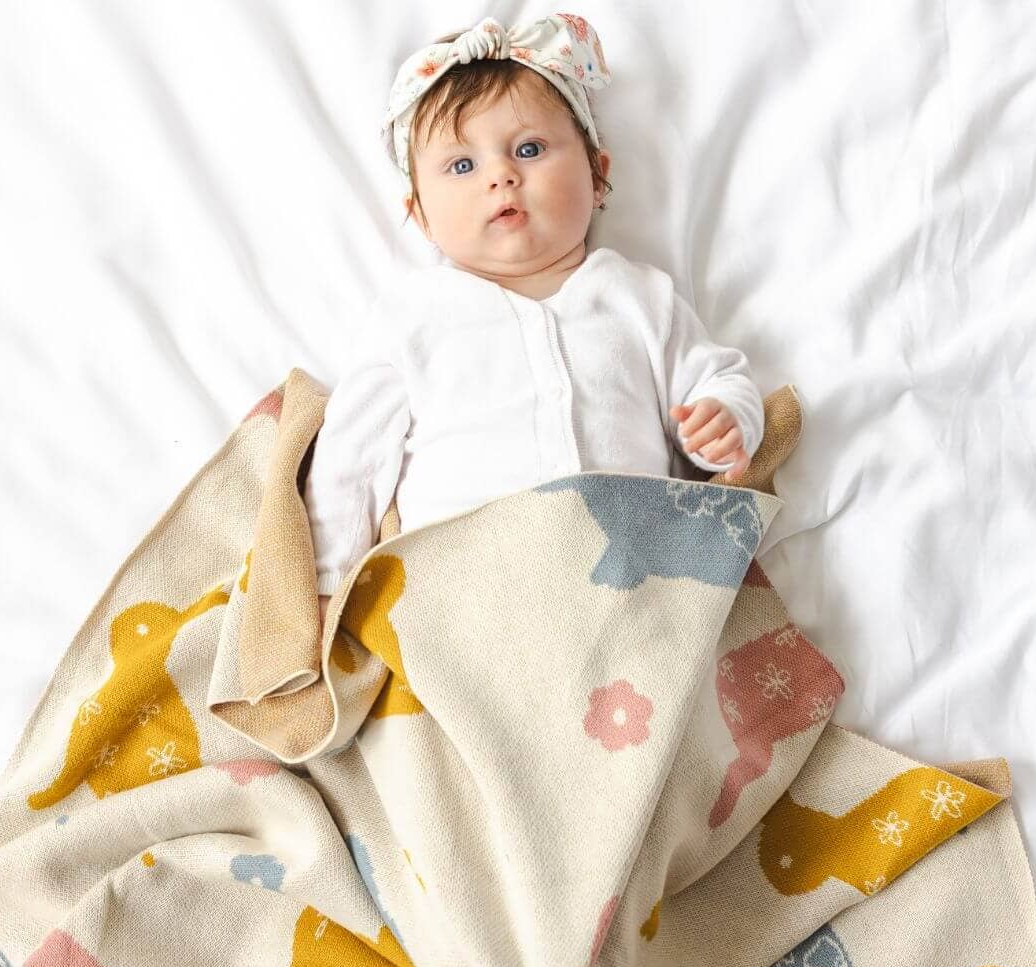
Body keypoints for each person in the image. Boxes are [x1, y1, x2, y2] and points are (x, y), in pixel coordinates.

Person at [304, 13, 765, 608]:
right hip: (469, 597)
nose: (501, 175)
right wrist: (327, 584)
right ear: (421, 216)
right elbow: (350, 462)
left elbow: (720, 376)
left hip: (634, 595)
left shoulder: (638, 297)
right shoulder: (413, 318)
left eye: (529, 149)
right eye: (462, 166)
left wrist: (723, 419)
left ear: (597, 177)